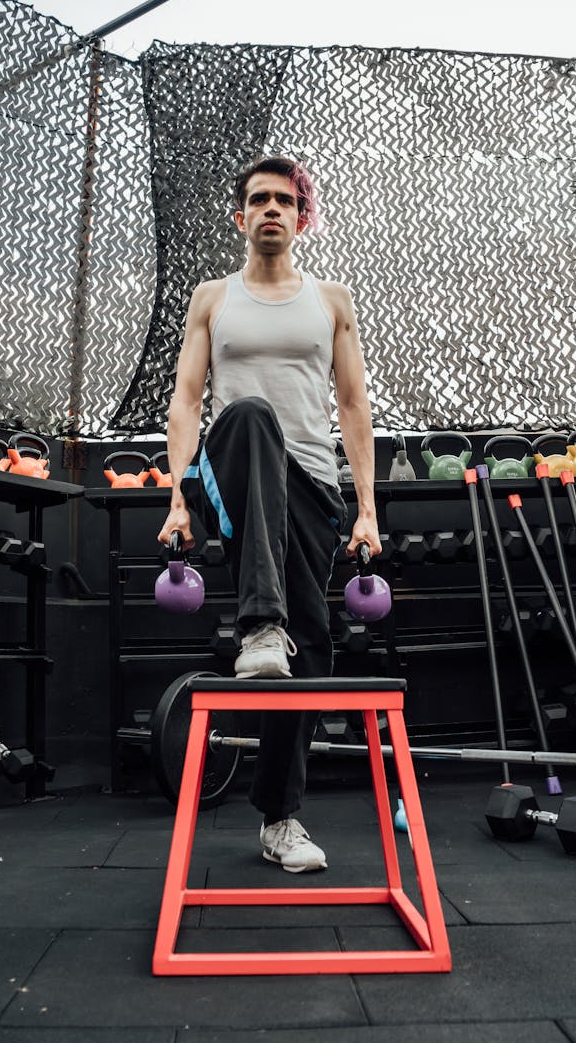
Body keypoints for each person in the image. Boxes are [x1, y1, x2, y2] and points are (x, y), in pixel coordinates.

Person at [158, 155, 381, 873]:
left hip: (313, 491)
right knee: (252, 417)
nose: (271, 210)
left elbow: (352, 406)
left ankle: (279, 819)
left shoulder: (333, 300)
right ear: (241, 216)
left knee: (310, 652)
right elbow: (189, 399)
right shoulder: (212, 298)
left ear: (302, 217)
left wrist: (367, 510)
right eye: (258, 200)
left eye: (284, 201)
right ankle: (260, 622)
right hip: (230, 474)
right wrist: (175, 499)